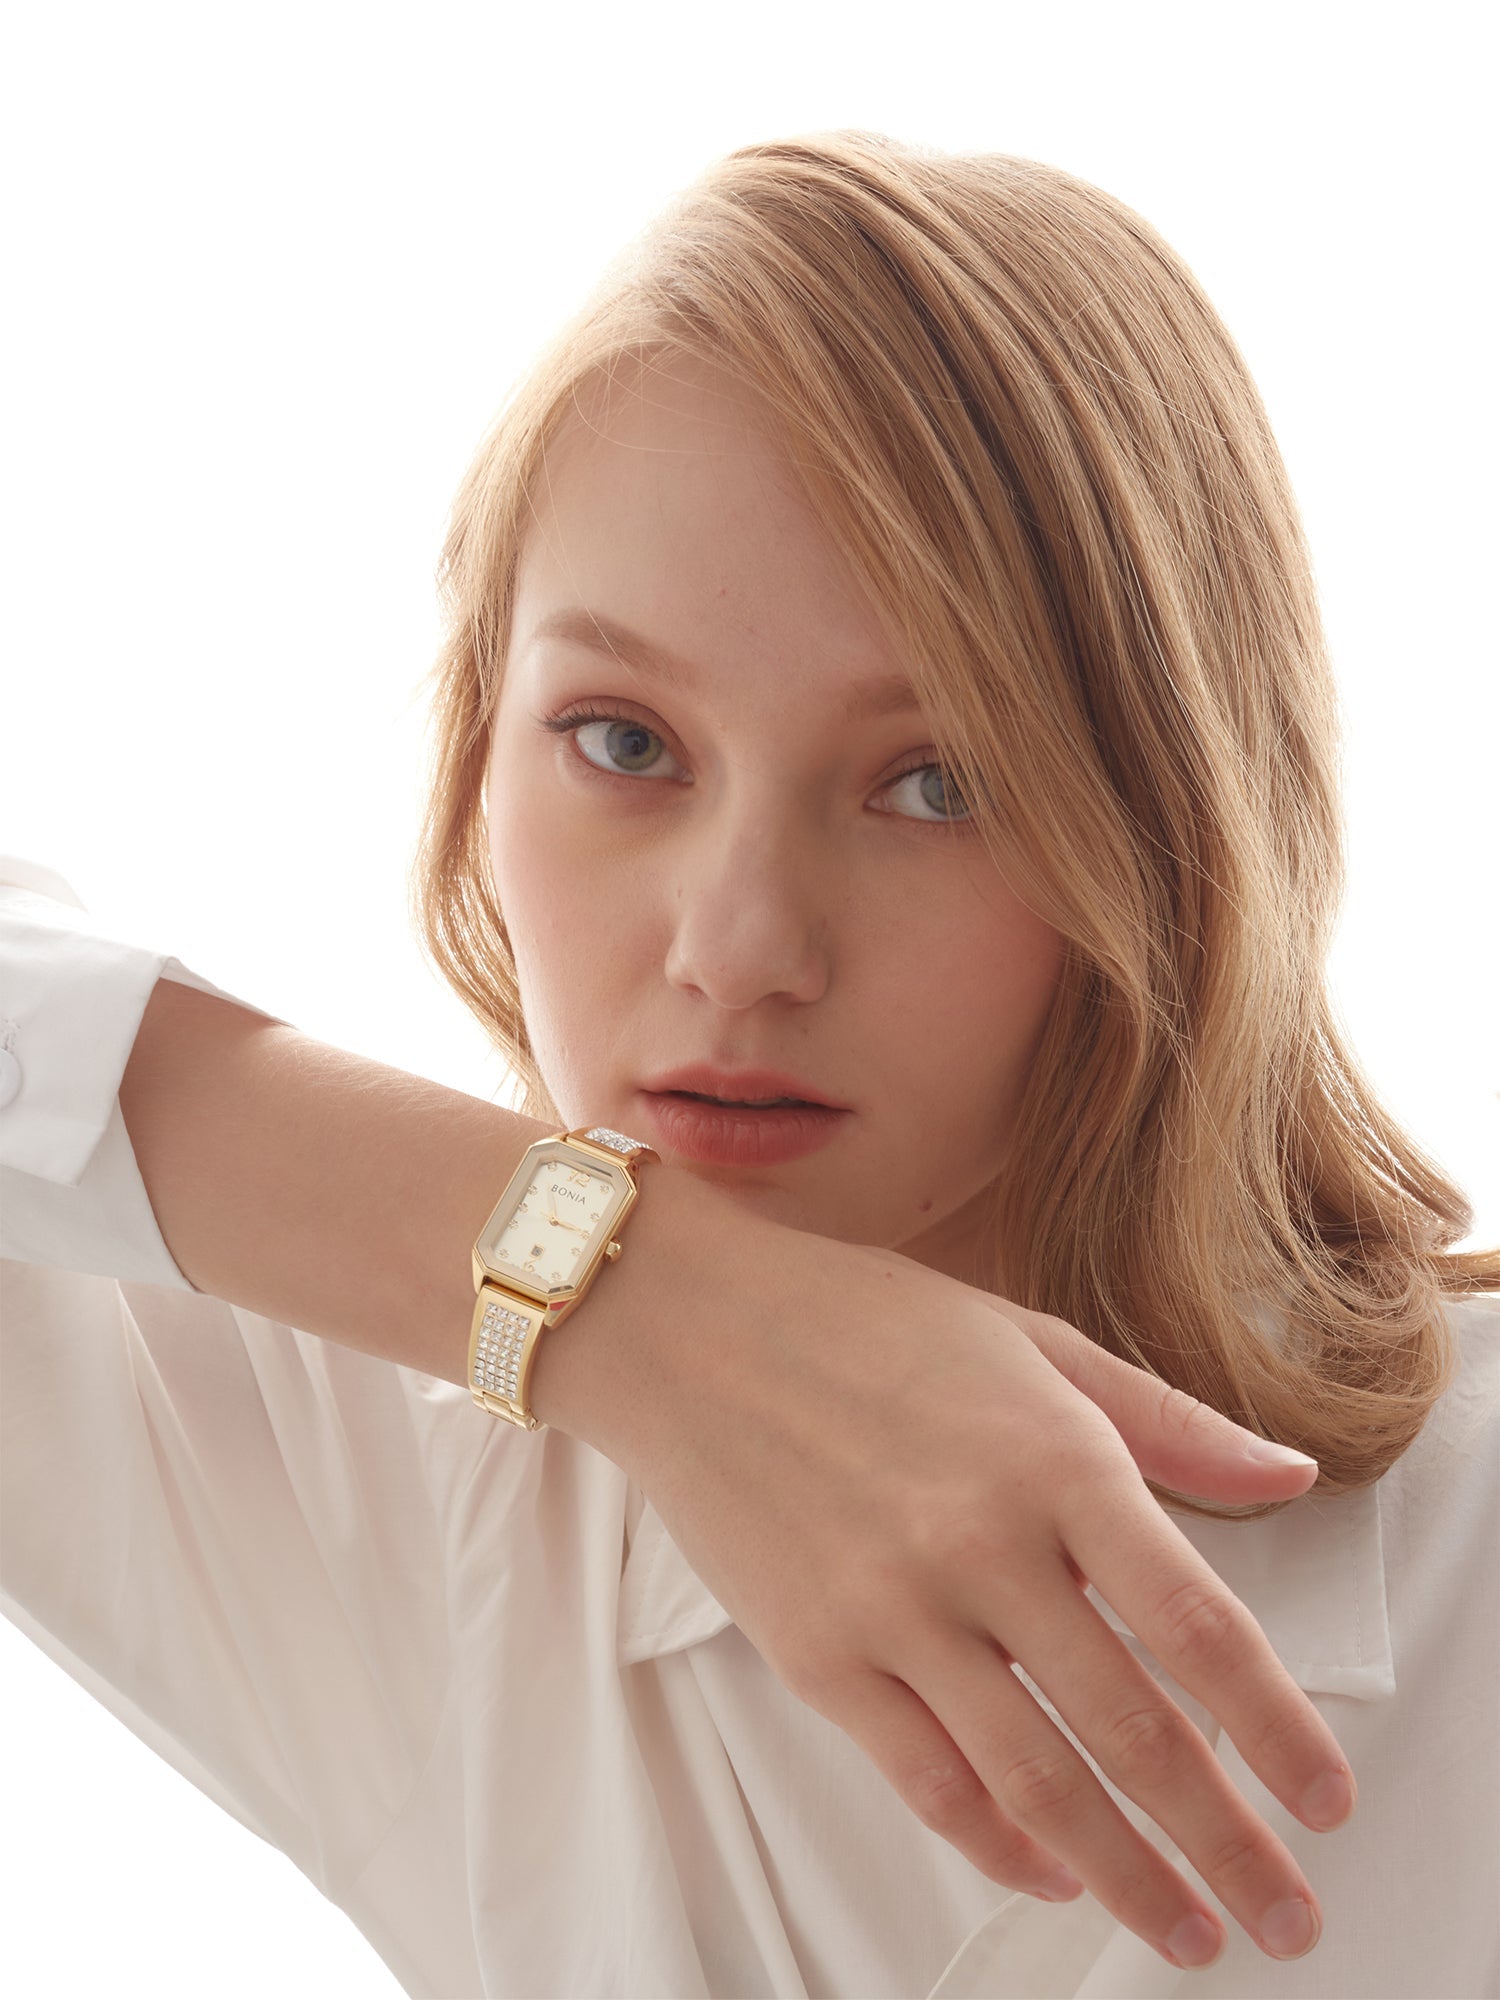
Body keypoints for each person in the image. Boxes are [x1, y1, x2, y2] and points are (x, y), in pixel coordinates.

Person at [2, 128, 1497, 2000]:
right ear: (476, 762)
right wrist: (620, 1300)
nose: (738, 948)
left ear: (1181, 832)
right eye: (623, 742)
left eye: (938, 782)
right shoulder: (434, 1505)